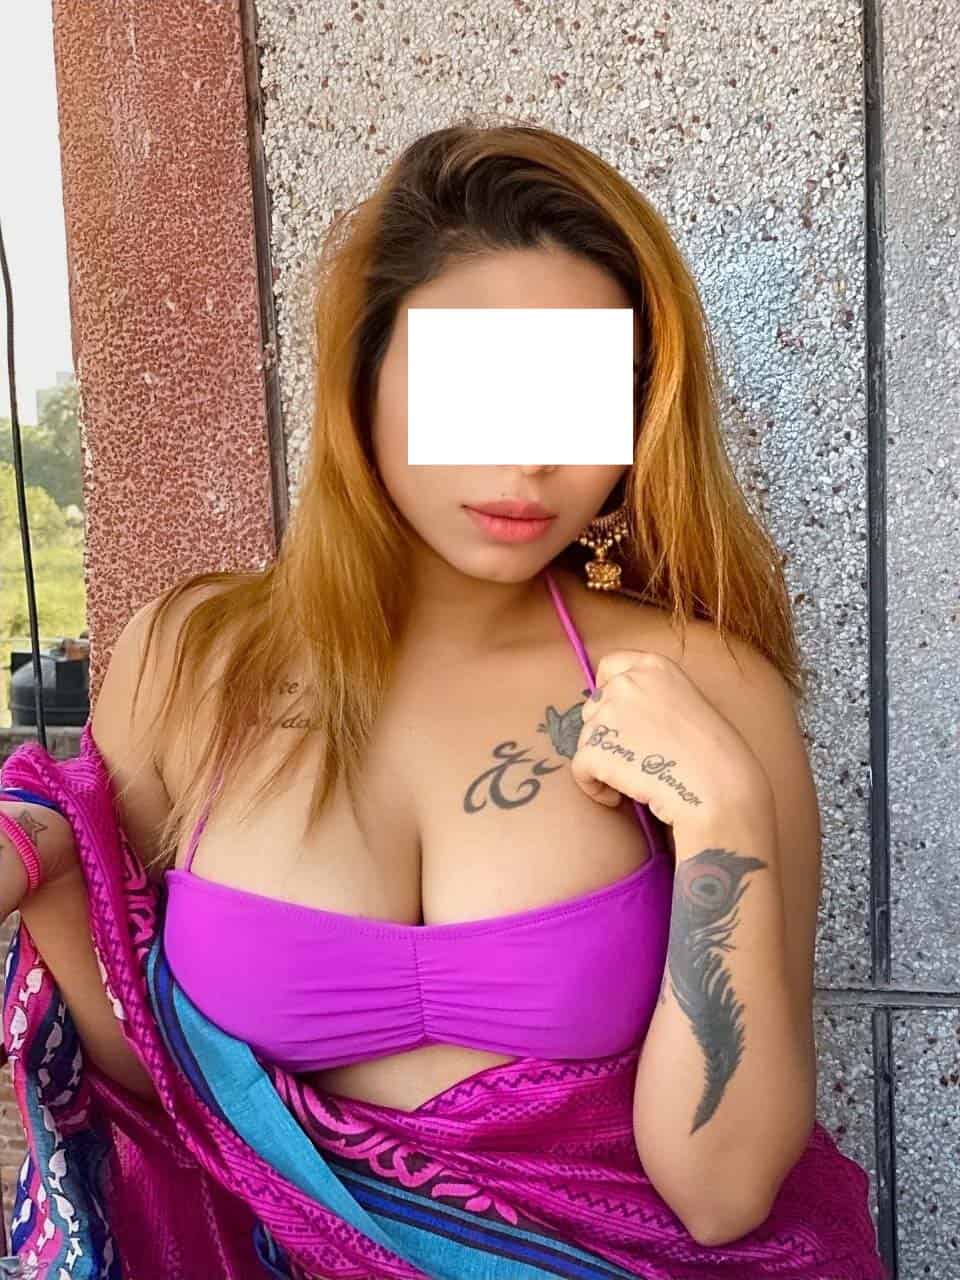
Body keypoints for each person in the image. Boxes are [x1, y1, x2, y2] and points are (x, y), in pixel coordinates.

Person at [0, 121, 887, 1278]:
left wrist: (725, 818)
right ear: (360, 375)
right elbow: (162, 1090)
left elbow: (720, 1195)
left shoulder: (705, 684)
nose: (528, 460)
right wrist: (52, 865)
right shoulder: (195, 661)